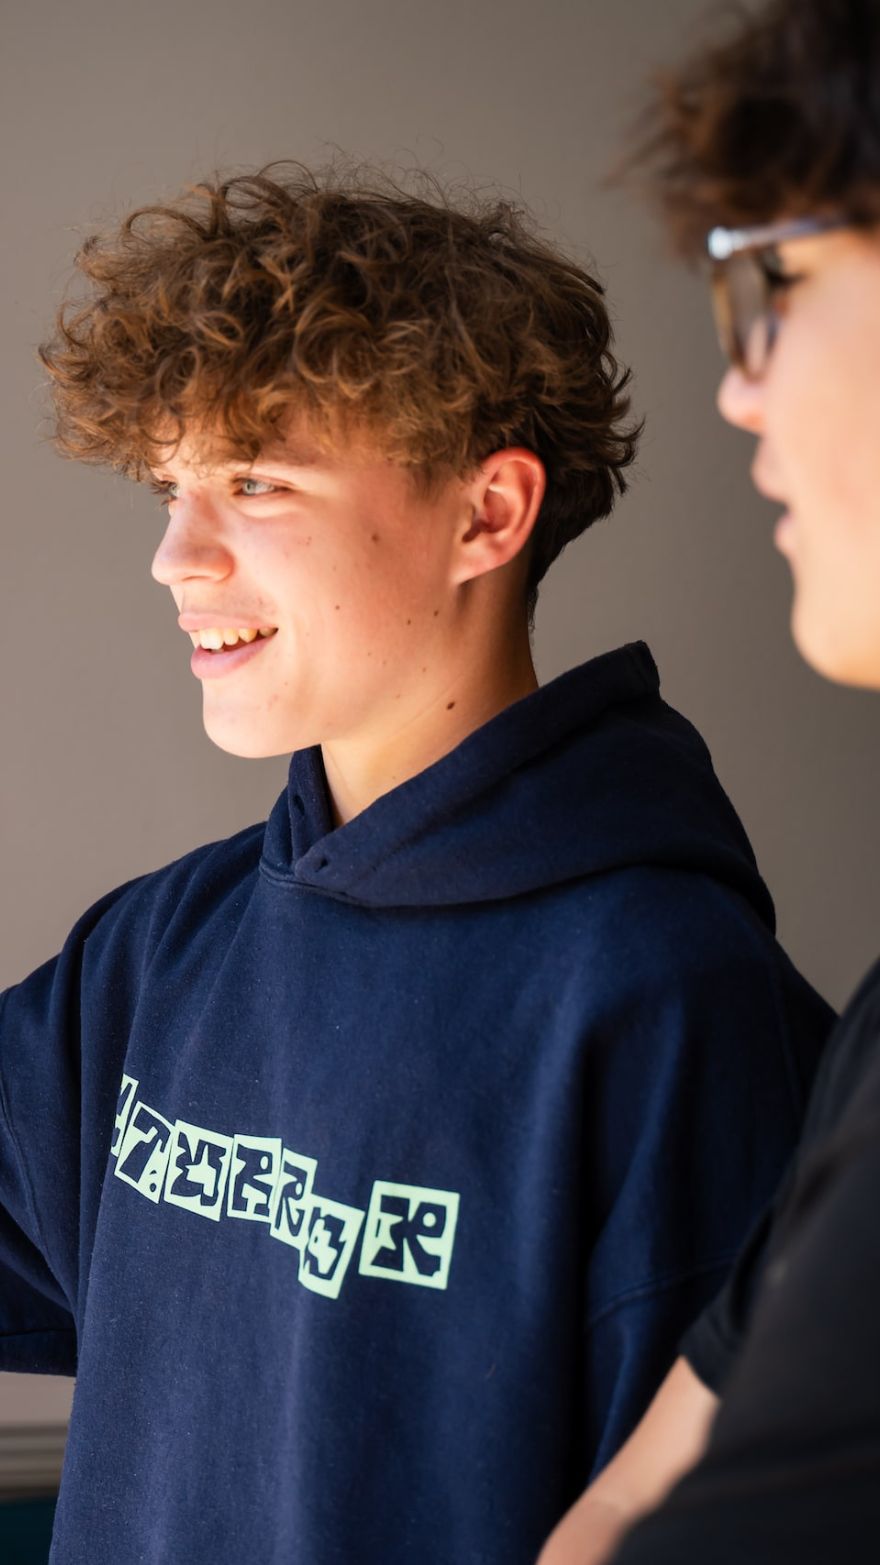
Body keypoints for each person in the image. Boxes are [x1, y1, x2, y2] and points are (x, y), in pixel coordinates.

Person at [0, 163, 831, 1565]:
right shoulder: (161, 950)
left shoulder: (669, 1003)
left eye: (254, 480)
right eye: (170, 484)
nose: (173, 555)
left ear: (488, 516)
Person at [537, 2, 880, 1560]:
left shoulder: (666, 986)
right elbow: (634, 1496)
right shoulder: (155, 949)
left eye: (778, 281)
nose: (737, 388)